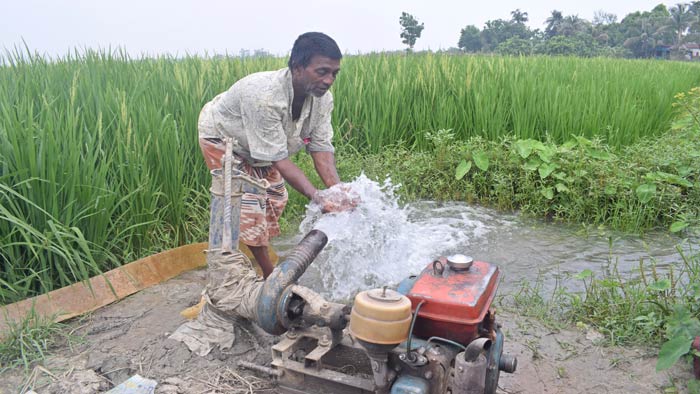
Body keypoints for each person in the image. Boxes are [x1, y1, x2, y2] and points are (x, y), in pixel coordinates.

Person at [197, 32, 356, 278]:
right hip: (225, 139)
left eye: (334, 73)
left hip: (262, 147)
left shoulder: (322, 99)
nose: (329, 80)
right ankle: (270, 278)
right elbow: (280, 160)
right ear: (298, 67)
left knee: (275, 197)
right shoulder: (263, 96)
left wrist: (337, 192)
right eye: (322, 71)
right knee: (249, 208)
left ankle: (259, 251)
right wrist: (317, 196)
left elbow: (321, 147)